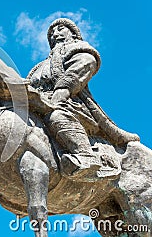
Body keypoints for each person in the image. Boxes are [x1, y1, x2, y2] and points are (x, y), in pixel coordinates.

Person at [27, 18, 139, 180]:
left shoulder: (77, 49)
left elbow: (86, 63)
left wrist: (63, 89)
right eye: (51, 33)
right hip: (39, 103)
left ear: (73, 33)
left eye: (60, 29)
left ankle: (86, 157)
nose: (55, 34)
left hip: (70, 104)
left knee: (56, 115)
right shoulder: (40, 65)